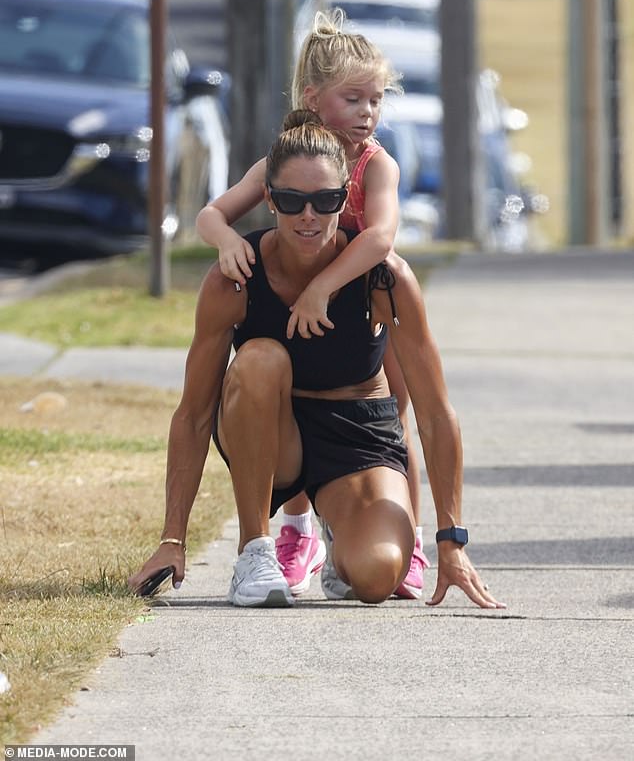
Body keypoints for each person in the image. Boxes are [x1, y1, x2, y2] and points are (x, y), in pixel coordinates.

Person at [129, 112, 505, 612]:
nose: (309, 216)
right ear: (269, 200)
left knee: (377, 577)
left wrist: (451, 542)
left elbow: (436, 415)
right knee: (261, 359)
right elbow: (194, 414)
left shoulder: (384, 280)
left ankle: (339, 538)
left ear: (346, 197)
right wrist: (172, 537)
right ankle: (255, 551)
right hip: (272, 432)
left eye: (326, 201)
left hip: (357, 433)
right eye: (291, 201)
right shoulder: (235, 279)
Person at [196, 9, 428, 601]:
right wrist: (226, 243)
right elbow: (212, 214)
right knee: (291, 396)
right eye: (353, 99)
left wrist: (325, 287)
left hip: (362, 302)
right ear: (313, 99)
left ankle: (412, 534)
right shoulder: (287, 160)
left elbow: (380, 237)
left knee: (393, 408)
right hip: (297, 308)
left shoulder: (377, 164)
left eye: (376, 100)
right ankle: (299, 524)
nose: (367, 113)